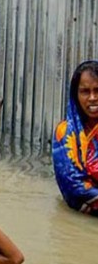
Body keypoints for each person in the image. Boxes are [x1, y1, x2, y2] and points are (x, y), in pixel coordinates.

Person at [52, 60, 98, 215]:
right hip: (84, 216)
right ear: (75, 95)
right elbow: (73, 185)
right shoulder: (65, 133)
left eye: (97, 90)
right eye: (85, 91)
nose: (92, 98)